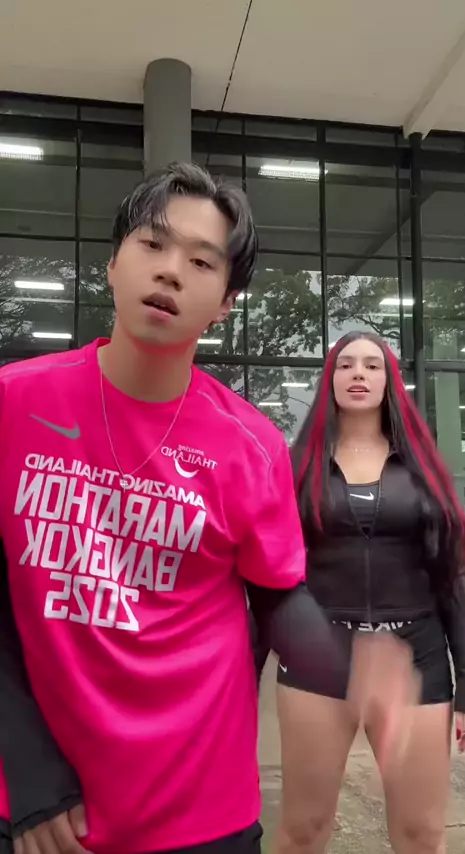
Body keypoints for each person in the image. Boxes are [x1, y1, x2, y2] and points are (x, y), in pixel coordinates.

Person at [0, 165, 415, 854]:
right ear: (112, 263)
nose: (170, 271)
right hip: (43, 810)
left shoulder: (250, 443)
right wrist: (28, 769)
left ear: (226, 302)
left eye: (200, 262)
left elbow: (277, 596)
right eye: (152, 244)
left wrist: (353, 670)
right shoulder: (15, 404)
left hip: (203, 808)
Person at [273, 330, 465, 854]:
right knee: (303, 830)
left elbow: (450, 577)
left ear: (390, 381)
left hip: (416, 656)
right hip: (319, 659)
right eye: (346, 365)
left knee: (421, 835)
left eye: (372, 365)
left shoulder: (422, 469)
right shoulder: (297, 468)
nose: (358, 374)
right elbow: (269, 574)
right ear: (330, 380)